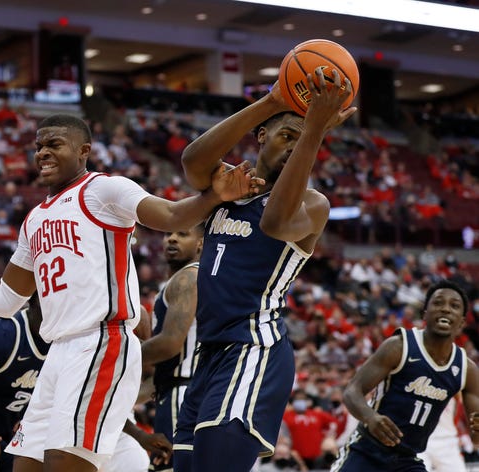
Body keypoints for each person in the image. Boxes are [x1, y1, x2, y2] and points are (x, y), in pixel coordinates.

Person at [0, 113, 256, 472]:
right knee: (26, 466)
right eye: (38, 146)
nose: (42, 152)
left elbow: (172, 216)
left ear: (83, 150)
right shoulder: (34, 219)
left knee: (65, 465)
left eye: (54, 144)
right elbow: (7, 299)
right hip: (58, 354)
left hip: (101, 342)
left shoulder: (104, 189)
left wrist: (212, 198)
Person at [172, 69, 355, 471]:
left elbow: (274, 222)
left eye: (304, 140)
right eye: (286, 135)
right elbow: (193, 161)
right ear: (261, 135)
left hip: (253, 349)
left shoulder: (312, 203)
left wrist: (313, 130)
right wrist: (272, 102)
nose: (295, 145)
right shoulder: (230, 185)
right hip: (209, 355)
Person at [0, 292, 170, 472]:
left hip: (4, 440)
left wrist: (139, 436)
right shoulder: (4, 335)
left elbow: (84, 403)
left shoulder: (67, 342)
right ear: (37, 301)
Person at [331, 279, 479, 471]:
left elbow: (476, 437)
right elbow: (352, 392)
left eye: (454, 306)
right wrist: (371, 418)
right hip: (367, 450)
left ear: (462, 321)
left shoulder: (467, 369)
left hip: (407, 459)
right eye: (438, 303)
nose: (446, 309)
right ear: (425, 313)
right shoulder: (399, 346)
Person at [140, 225, 203, 470]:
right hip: (174, 390)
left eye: (183, 233)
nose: (172, 238)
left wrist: (118, 354)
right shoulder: (180, 280)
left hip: (183, 393)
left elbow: (170, 343)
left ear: (200, 243)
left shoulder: (189, 277)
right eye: (168, 234)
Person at [418, 395, 469, 472]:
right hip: (418, 440)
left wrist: (463, 435)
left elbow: (461, 410)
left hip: (446, 439)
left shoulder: (453, 387)